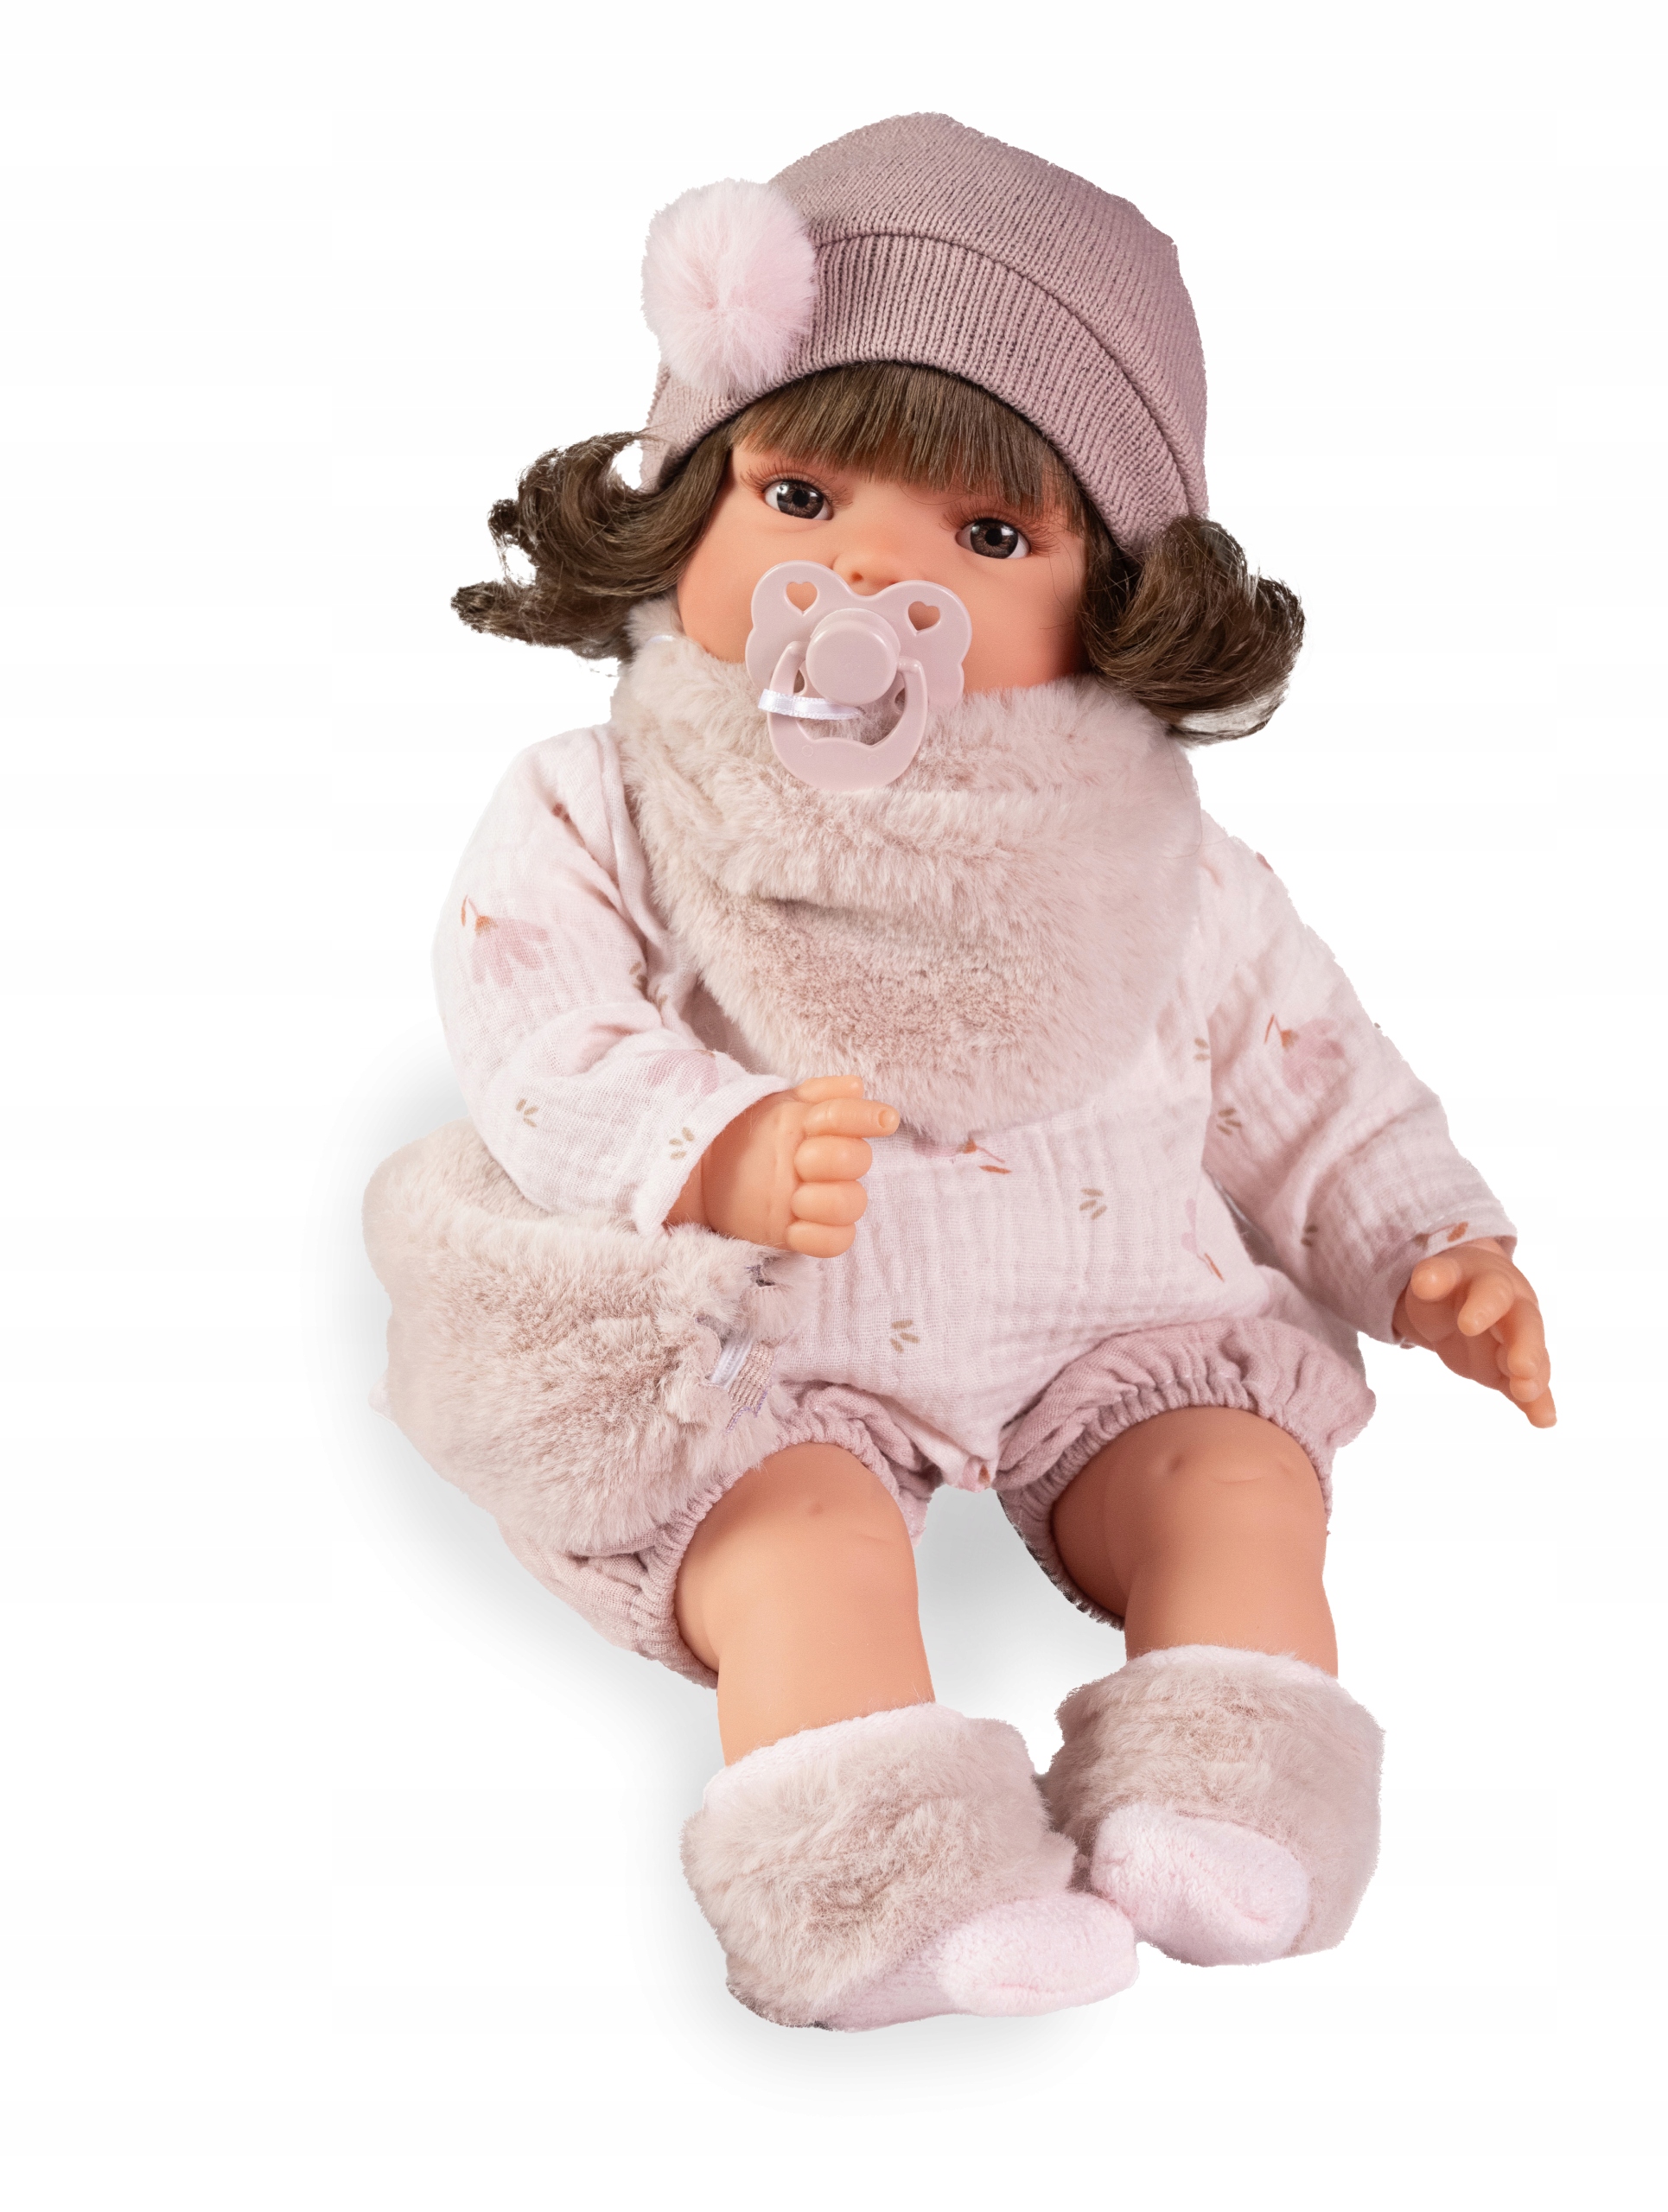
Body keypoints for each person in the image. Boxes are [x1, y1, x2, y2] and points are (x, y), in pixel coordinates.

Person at [365, 113, 1554, 2031]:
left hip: (1106, 1323)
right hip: (776, 1346)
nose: (869, 573)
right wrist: (706, 1139)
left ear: (1115, 595)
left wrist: (1426, 1248)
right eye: (801, 495)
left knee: (1236, 1476)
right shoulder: (610, 800)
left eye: (988, 536)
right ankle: (879, 1893)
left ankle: (1224, 1802)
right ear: (688, 495)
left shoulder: (1158, 856)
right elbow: (533, 1020)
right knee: (806, 1540)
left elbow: (1300, 1068)